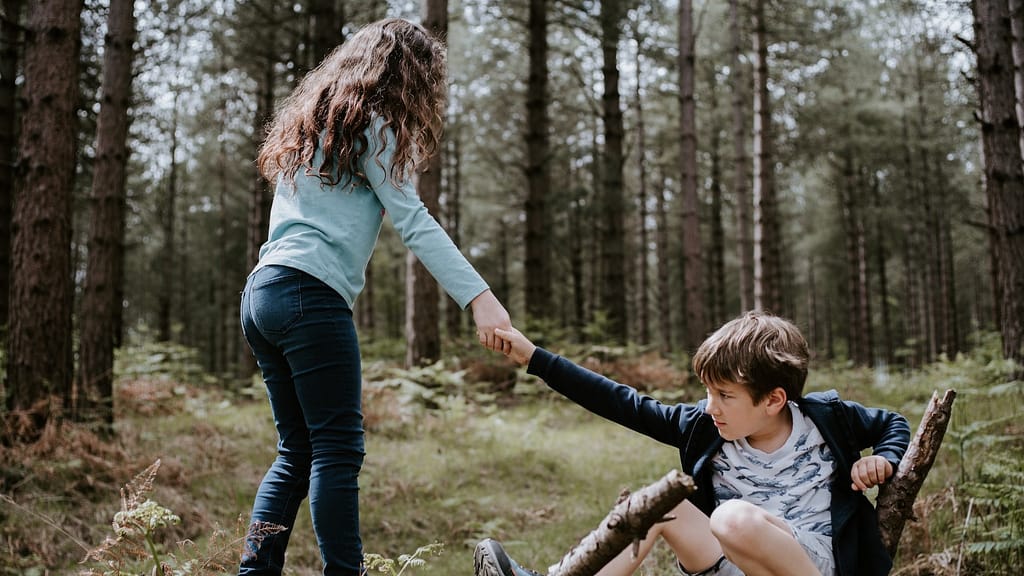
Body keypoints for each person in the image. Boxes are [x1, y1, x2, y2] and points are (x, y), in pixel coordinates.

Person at [238, 18, 511, 576]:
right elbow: (414, 222)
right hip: (309, 296)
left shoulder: (312, 123)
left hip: (262, 293)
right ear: (405, 76)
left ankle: (254, 571)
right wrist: (479, 297)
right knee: (337, 449)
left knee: (296, 451)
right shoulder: (374, 124)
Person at [474, 311, 910, 576]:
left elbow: (894, 424)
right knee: (657, 503)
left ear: (774, 400)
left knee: (733, 518)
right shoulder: (704, 426)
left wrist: (881, 459)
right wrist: (533, 357)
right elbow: (620, 402)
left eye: (725, 395)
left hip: (810, 563)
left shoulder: (826, 419)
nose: (710, 406)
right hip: (728, 563)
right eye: (707, 392)